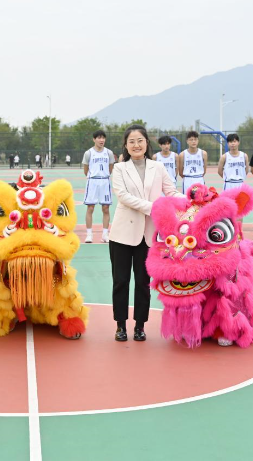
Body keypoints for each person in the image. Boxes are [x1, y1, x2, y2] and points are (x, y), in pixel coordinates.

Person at [110, 125, 183, 342]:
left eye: (140, 140)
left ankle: (140, 326)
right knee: (120, 281)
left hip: (148, 235)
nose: (136, 145)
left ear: (146, 143)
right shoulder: (119, 169)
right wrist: (154, 207)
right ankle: (120, 325)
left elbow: (171, 191)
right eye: (131, 141)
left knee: (143, 282)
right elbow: (123, 196)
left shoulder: (157, 167)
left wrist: (192, 199)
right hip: (122, 234)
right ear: (126, 145)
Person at [82, 129, 115, 243]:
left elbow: (110, 167)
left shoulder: (109, 153)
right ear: (94, 139)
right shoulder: (89, 153)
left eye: (103, 138)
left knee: (106, 208)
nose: (102, 140)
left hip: (105, 182)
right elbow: (86, 169)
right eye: (99, 138)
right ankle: (89, 235)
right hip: (92, 182)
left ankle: (105, 235)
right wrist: (93, 176)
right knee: (90, 207)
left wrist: (104, 175)